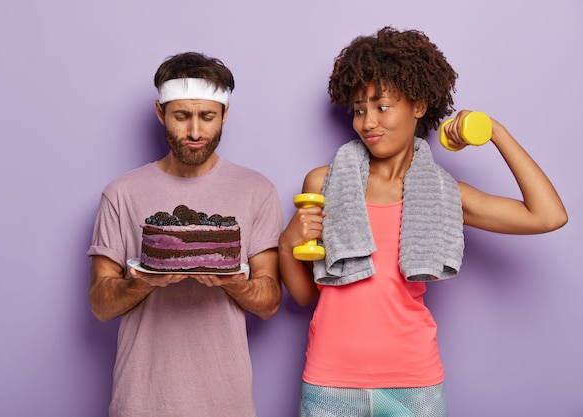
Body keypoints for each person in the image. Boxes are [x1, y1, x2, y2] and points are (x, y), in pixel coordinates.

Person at [278, 27, 567, 417]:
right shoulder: (323, 184)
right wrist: (286, 244)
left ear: (418, 105)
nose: (368, 123)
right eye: (359, 109)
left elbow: (548, 215)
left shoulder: (447, 195)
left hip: (414, 379)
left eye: (382, 107)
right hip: (330, 377)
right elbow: (305, 297)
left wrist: (494, 130)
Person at [87, 52, 283, 417]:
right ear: (160, 112)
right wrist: (145, 282)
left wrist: (234, 282)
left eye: (207, 117)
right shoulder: (122, 192)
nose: (194, 131)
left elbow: (270, 300)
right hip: (141, 400)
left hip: (227, 401)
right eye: (181, 116)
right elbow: (100, 305)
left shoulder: (257, 190)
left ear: (225, 114)